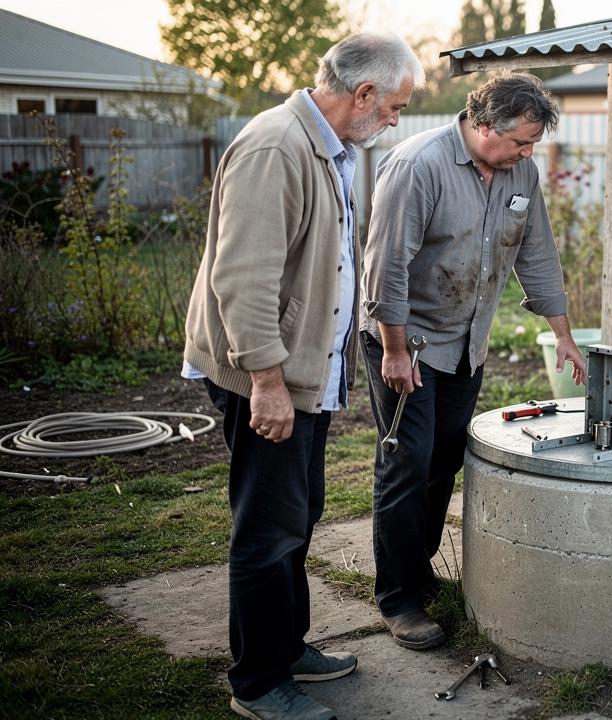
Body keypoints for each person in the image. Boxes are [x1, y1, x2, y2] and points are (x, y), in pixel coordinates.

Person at [182, 33, 420, 720]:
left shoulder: (327, 147)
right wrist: (267, 380)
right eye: (397, 105)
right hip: (266, 375)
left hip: (299, 374)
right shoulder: (275, 146)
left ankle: (286, 647)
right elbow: (243, 277)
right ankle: (257, 681)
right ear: (364, 93)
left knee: (299, 511)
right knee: (267, 528)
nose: (397, 119)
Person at [361, 72, 587, 649]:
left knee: (442, 460)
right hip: (404, 340)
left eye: (533, 144)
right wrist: (392, 348)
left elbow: (536, 253)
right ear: (484, 125)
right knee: (406, 461)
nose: (528, 153)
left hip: (466, 343)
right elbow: (385, 265)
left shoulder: (522, 174)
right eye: (520, 142)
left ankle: (418, 567)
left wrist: (563, 335)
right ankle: (398, 598)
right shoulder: (419, 165)